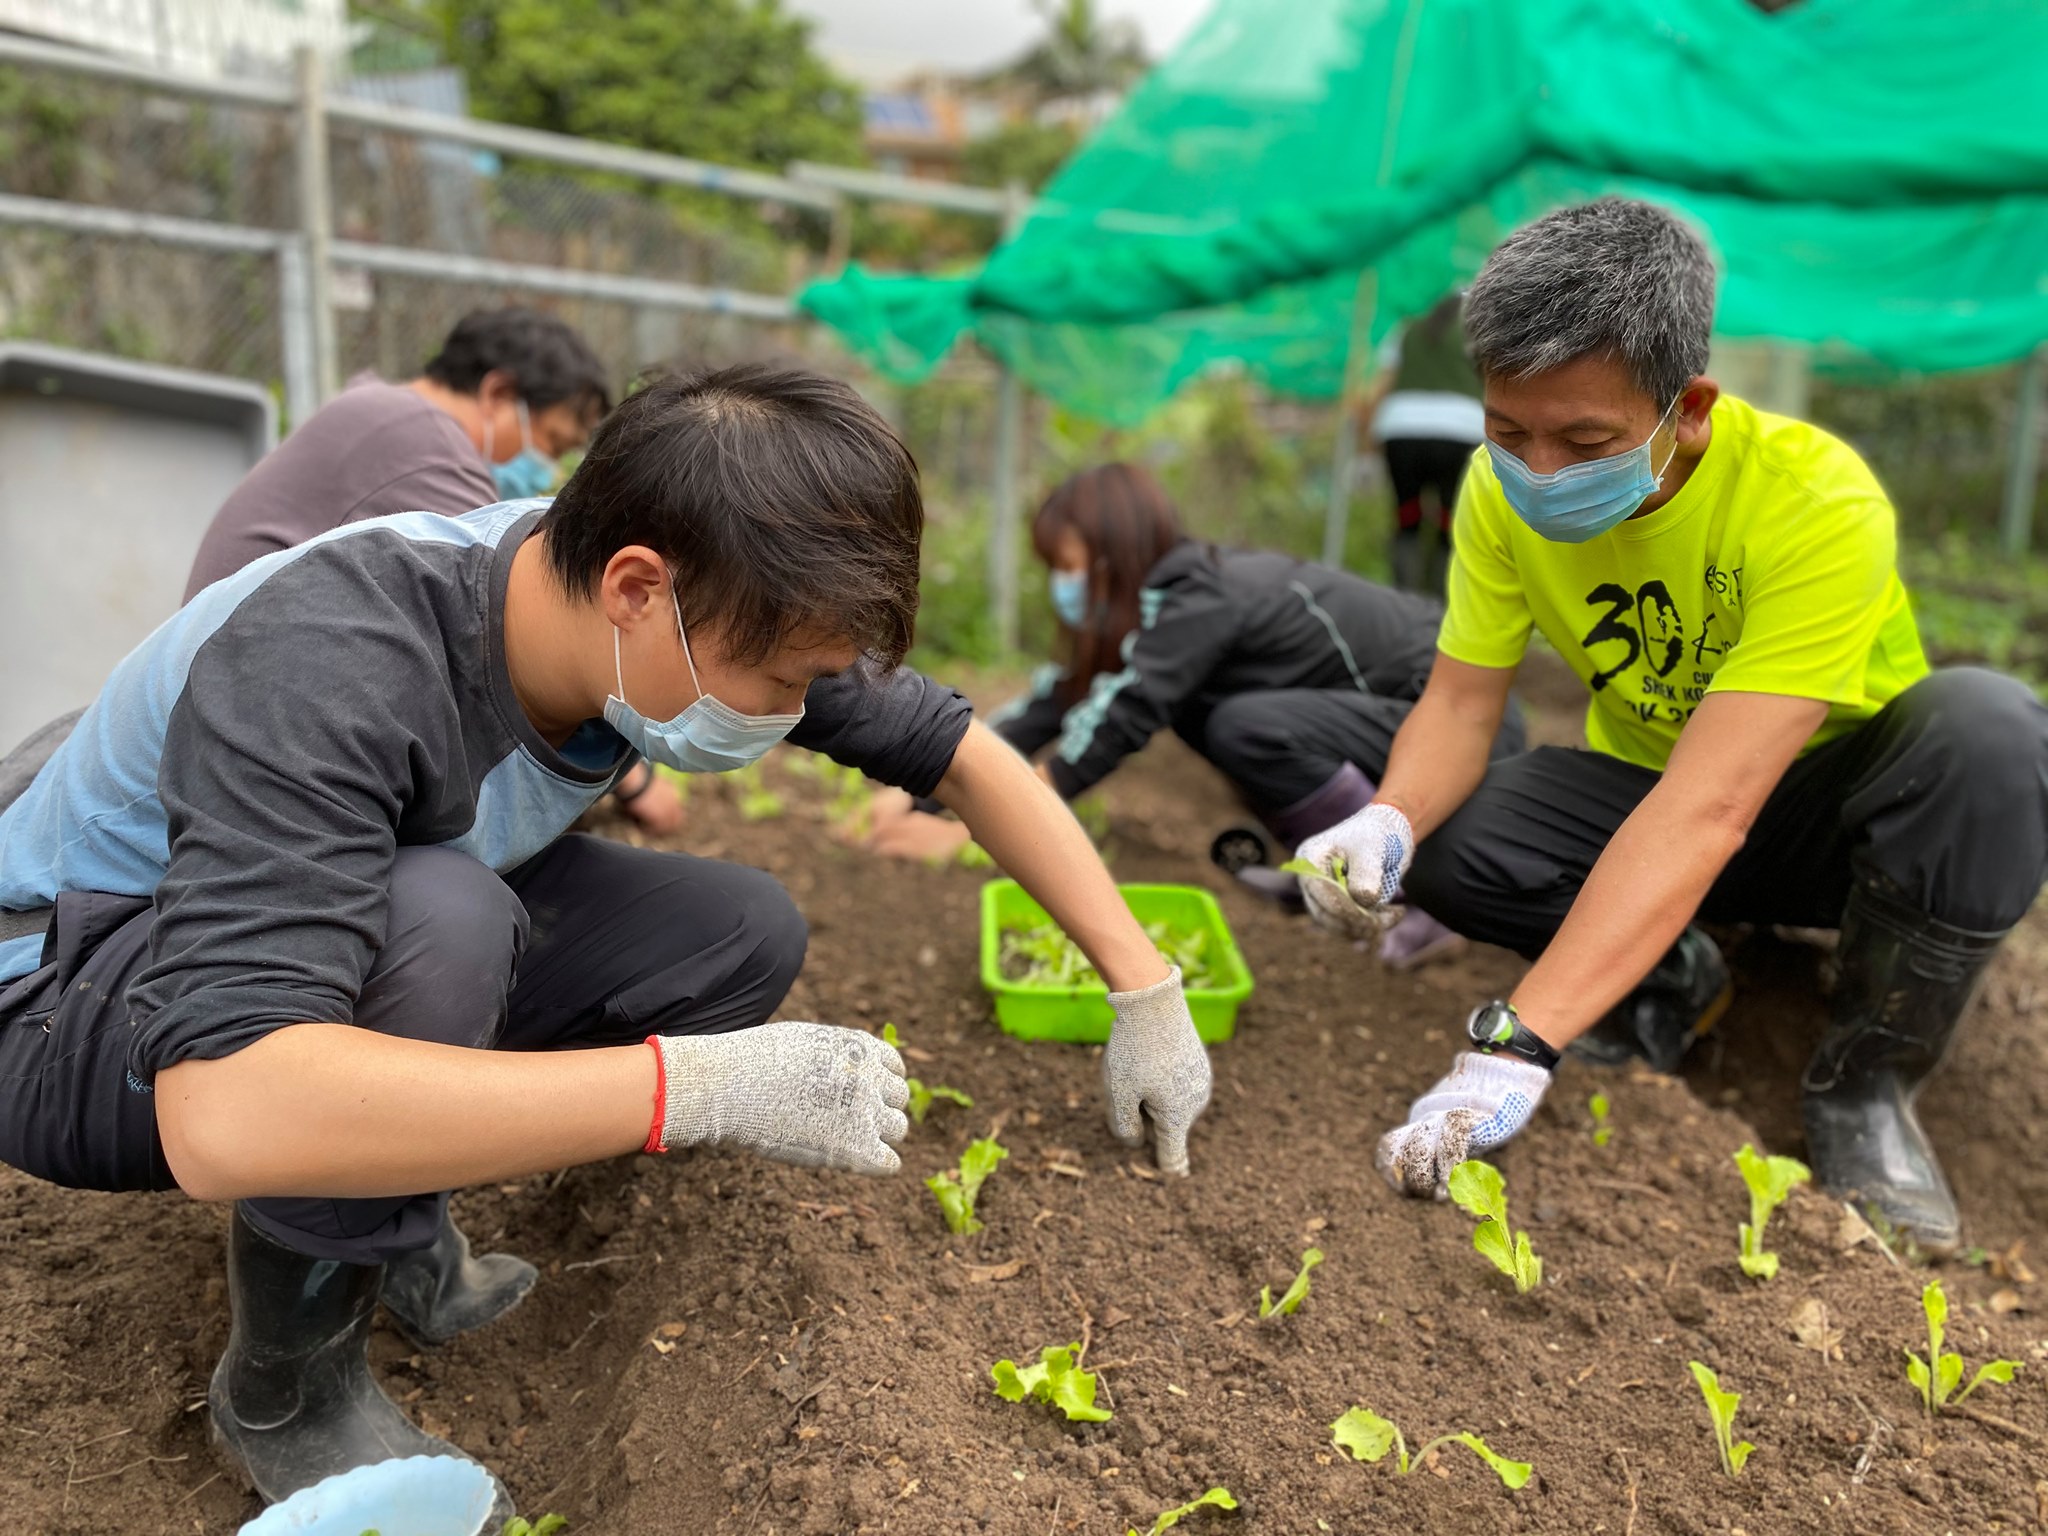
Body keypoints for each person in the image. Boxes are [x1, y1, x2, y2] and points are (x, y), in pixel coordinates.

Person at [0, 365, 1212, 1516]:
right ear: (635, 586)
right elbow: (224, 1116)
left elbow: (962, 756)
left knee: (735, 933)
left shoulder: (696, 586)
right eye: (783, 681)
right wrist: (681, 1090)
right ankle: (288, 1391)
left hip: (316, 925)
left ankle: (387, 1213)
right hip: (65, 991)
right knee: (443, 920)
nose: (799, 712)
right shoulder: (334, 658)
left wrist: (1144, 989)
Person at [1292, 197, 2048, 1253]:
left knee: (1990, 730)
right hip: (1653, 800)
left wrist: (1518, 1040)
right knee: (1456, 843)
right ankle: (1669, 976)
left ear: (1685, 407)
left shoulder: (1811, 503)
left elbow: (1714, 803)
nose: (1537, 472)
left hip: (1841, 823)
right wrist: (1386, 818)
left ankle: (1863, 1087)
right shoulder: (1491, 494)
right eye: (1508, 431)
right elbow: (1462, 703)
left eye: (1583, 438)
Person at [869, 462, 1524, 969]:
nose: (1060, 587)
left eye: (1064, 567)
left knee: (1244, 726)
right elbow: (1059, 704)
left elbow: (1112, 727)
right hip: (1396, 720)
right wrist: (926, 790)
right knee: (1214, 717)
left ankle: (1405, 891)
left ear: (1112, 553)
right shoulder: (1168, 608)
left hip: (1452, 724)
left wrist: (976, 829)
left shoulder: (1197, 599)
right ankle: (1340, 871)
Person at [183, 306, 684, 834]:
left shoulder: (379, 410)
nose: (547, 466)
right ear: (497, 395)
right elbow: (507, 617)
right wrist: (637, 783)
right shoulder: (432, 455)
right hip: (253, 733)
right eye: (551, 443)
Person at [1360, 290, 1486, 595]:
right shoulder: (1477, 329)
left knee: (1407, 516)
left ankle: (1404, 597)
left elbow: (1380, 387)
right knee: (1451, 519)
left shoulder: (1405, 330)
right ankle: (1443, 604)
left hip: (1402, 430)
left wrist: (1364, 449)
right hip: (1462, 430)